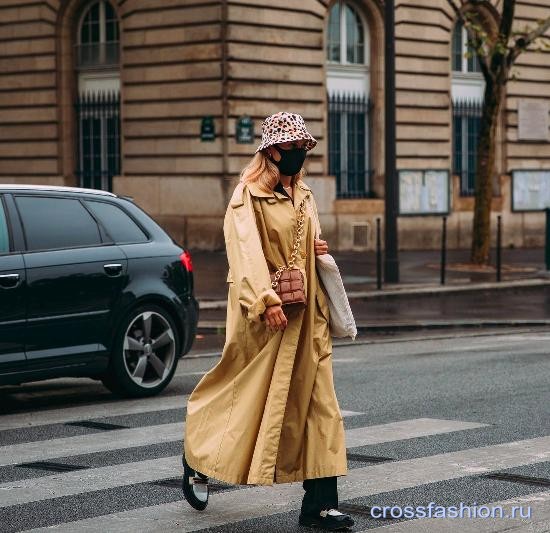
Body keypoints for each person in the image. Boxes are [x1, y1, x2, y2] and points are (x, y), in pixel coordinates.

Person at [182, 111, 354, 531]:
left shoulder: (305, 194)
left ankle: (320, 504)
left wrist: (316, 248)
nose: (300, 154)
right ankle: (195, 455)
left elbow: (301, 240)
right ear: (271, 151)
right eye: (294, 147)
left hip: (308, 315)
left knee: (321, 407)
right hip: (265, 317)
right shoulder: (246, 197)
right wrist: (265, 299)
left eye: (303, 148)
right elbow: (245, 254)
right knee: (239, 396)